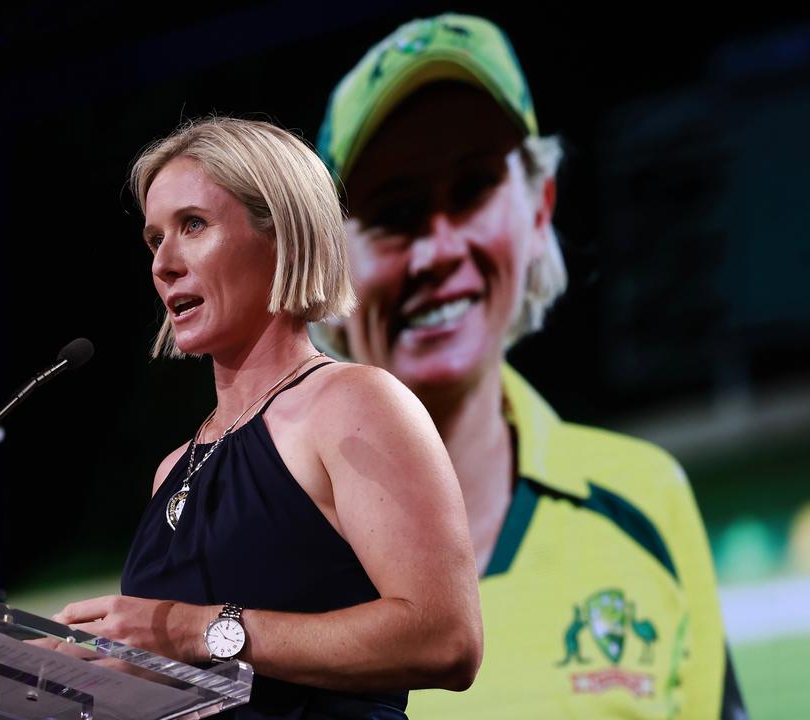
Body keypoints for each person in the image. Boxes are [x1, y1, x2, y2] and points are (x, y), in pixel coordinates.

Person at [313, 13, 746, 718]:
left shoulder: (646, 503)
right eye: (395, 212)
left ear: (539, 208)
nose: (439, 250)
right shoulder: (250, 537)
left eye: (474, 187)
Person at [52, 117, 483, 719]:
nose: (163, 264)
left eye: (193, 225)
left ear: (281, 236)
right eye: (154, 240)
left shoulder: (353, 403)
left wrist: (196, 631)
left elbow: (444, 639)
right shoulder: (172, 469)